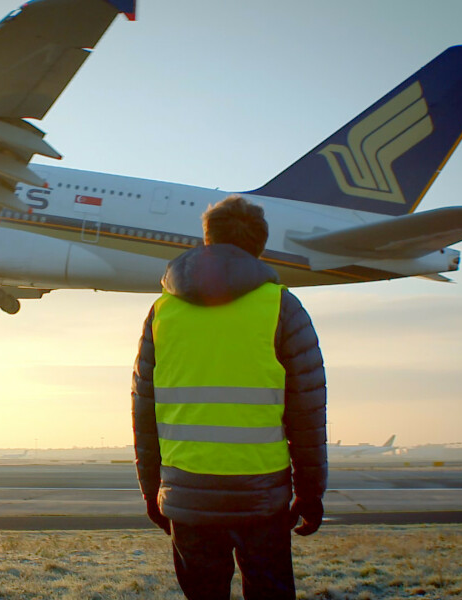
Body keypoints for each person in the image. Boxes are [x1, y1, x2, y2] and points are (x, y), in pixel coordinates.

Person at [131, 194, 327, 600]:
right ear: (259, 247)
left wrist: (153, 490)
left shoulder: (162, 312)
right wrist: (310, 493)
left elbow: (143, 410)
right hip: (262, 498)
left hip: (187, 495)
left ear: (208, 239)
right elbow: (307, 412)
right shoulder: (282, 307)